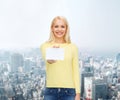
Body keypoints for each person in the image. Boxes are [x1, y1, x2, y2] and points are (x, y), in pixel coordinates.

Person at [40, 16, 81, 100]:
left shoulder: (73, 47)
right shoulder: (45, 46)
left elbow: (76, 71)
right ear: (52, 28)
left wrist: (78, 94)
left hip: (69, 92)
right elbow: (47, 58)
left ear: (66, 29)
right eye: (56, 26)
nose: (59, 29)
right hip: (50, 91)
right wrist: (52, 54)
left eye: (62, 26)